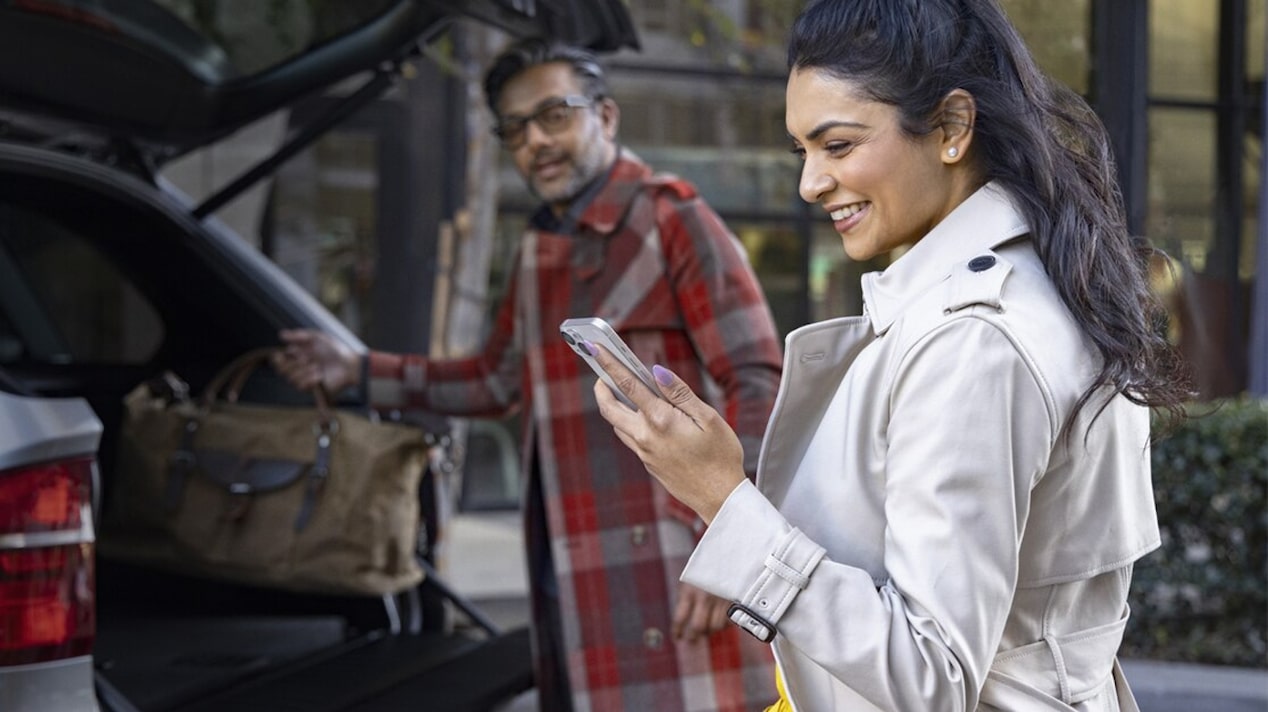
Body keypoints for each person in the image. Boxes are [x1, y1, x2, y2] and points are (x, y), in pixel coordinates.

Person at [587, 1, 1191, 710]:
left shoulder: (975, 340)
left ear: (951, 127)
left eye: (837, 146)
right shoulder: (1042, 285)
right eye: (802, 152)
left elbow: (927, 677)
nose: (810, 183)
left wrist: (723, 499)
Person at [272, 38, 782, 712]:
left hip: (678, 572)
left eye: (554, 116)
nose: (534, 141)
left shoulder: (673, 219)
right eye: (515, 129)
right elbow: (495, 381)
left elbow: (759, 382)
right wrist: (358, 371)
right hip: (568, 577)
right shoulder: (539, 247)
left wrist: (731, 546)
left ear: (606, 116)